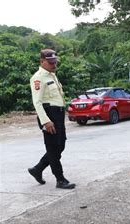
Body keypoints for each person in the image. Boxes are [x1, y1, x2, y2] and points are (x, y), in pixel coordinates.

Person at [28, 49, 75, 189]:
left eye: (55, 62)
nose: (54, 65)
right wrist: (46, 121)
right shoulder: (38, 77)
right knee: (53, 148)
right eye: (50, 62)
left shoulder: (52, 75)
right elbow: (37, 102)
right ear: (42, 61)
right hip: (49, 115)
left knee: (60, 146)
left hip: (58, 114)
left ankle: (37, 169)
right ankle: (60, 179)